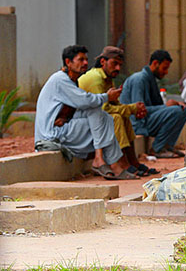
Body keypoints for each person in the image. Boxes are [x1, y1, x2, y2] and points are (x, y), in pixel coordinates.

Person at [34, 45, 136, 180]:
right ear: (68, 62)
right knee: (98, 111)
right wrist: (107, 97)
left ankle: (103, 160)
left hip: (64, 127)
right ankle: (110, 163)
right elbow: (85, 100)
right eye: (80, 60)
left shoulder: (71, 79)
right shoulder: (60, 79)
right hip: (52, 135)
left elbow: (84, 104)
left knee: (104, 116)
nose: (85, 63)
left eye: (86, 60)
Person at [78, 46, 157, 177]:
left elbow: (114, 104)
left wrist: (134, 109)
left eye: (120, 65)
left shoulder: (107, 78)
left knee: (123, 117)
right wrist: (132, 109)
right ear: (103, 62)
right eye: (114, 64)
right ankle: (122, 163)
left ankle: (133, 162)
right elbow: (104, 109)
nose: (118, 69)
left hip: (96, 120)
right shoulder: (95, 78)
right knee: (116, 118)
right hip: (83, 120)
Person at [120, 50, 186, 158]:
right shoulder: (139, 79)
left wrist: (167, 106)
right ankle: (158, 148)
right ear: (155, 63)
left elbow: (155, 107)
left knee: (182, 110)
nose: (166, 72)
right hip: (137, 123)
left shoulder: (151, 79)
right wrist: (166, 106)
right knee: (177, 111)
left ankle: (166, 146)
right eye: (164, 68)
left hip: (147, 120)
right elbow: (138, 110)